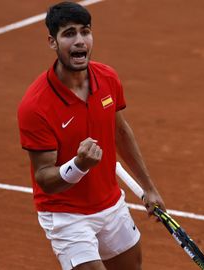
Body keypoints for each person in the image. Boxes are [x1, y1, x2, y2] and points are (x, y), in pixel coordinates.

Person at [17, 2, 165, 270]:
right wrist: (78, 166)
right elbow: (45, 179)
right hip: (66, 215)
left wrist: (148, 188)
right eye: (69, 33)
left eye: (85, 31)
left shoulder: (107, 78)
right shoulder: (35, 106)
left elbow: (120, 132)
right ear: (52, 41)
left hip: (110, 205)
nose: (79, 41)